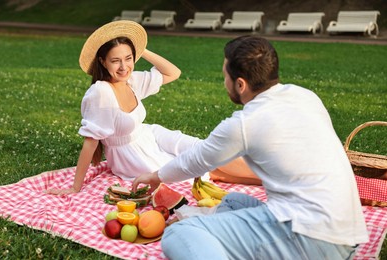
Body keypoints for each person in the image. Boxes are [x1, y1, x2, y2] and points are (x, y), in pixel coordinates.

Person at [132, 35, 369, 259]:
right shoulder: (305, 96)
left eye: (225, 76)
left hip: (313, 241)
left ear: (240, 84)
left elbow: (195, 161)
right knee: (235, 202)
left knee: (180, 234)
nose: (224, 82)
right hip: (347, 235)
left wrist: (156, 176)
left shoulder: (246, 124)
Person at [46, 21, 260, 195]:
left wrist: (142, 49)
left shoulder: (132, 80)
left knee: (204, 150)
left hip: (152, 135)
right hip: (131, 156)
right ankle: (277, 177)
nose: (123, 67)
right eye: (116, 61)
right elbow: (90, 142)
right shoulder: (100, 93)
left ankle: (275, 176)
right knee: (206, 170)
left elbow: (172, 73)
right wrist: (75, 187)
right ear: (102, 62)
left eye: (128, 58)